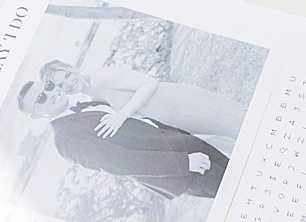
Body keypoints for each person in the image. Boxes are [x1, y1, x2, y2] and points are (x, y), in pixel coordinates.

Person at [14, 79, 228, 200]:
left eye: (48, 86)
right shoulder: (65, 139)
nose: (50, 93)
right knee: (233, 190)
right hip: (182, 168)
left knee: (236, 170)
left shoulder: (83, 106)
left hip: (184, 144)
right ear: (36, 114)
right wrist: (184, 163)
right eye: (41, 97)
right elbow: (119, 162)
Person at [38, 59, 248, 152]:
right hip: (171, 118)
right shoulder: (92, 99)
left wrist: (121, 116)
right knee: (226, 140)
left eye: (67, 75)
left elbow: (149, 83)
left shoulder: (100, 77)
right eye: (61, 85)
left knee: (234, 123)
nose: (69, 83)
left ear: (71, 68)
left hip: (176, 103)